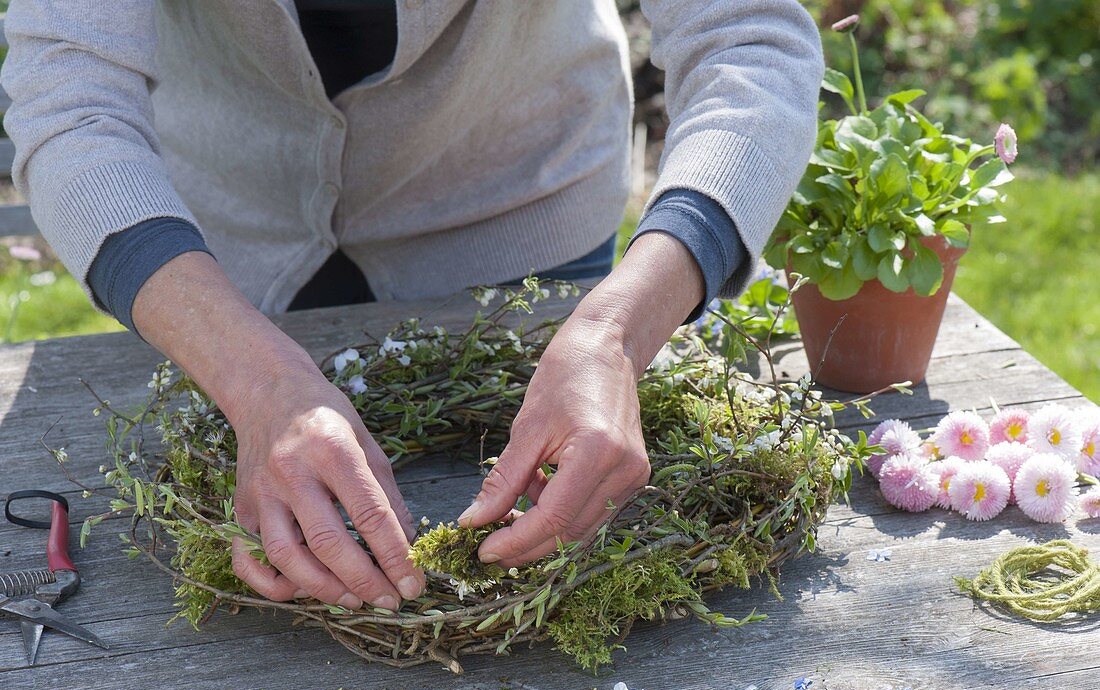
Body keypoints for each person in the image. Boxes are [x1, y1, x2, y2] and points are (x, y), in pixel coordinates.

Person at [1, 1, 823, 611]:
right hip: (226, 242)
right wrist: (254, 381)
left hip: (520, 202)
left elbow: (750, 41)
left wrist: (615, 335)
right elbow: (71, 101)